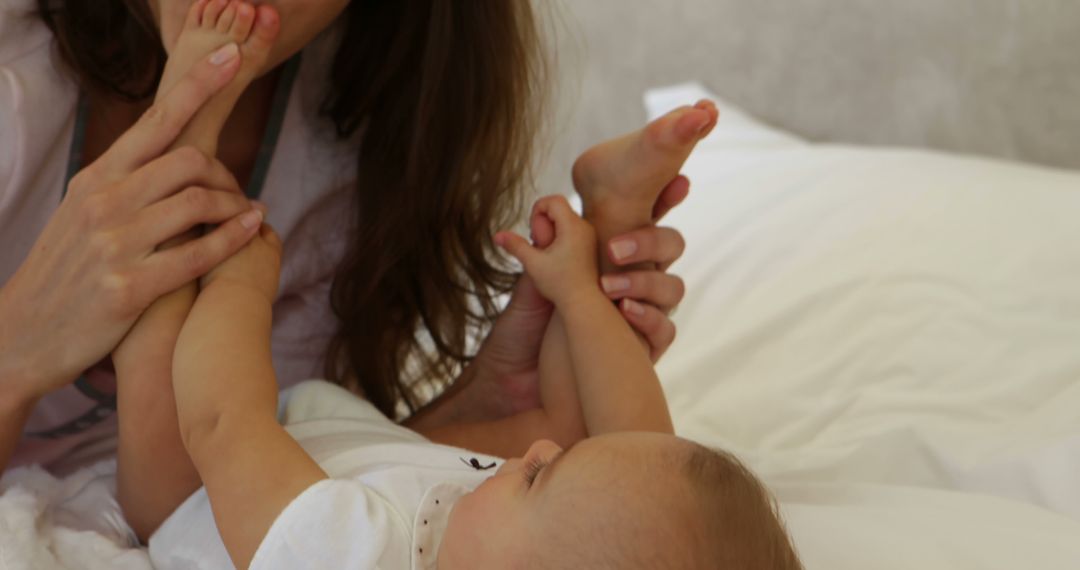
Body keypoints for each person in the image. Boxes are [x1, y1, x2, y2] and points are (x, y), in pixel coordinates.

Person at [119, 39, 798, 564]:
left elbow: (221, 422)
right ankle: (613, 218)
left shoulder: (347, 556)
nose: (534, 451)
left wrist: (243, 281)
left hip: (199, 492)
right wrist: (571, 293)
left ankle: (185, 135)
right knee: (627, 467)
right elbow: (634, 448)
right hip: (391, 471)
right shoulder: (490, 542)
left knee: (158, 367)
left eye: (537, 478)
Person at [0, 0, 692, 479]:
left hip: (174, 492)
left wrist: (490, 399)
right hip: (161, 495)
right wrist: (19, 346)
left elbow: (274, 472)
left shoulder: (359, 143)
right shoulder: (17, 77)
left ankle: (599, 245)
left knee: (564, 431)